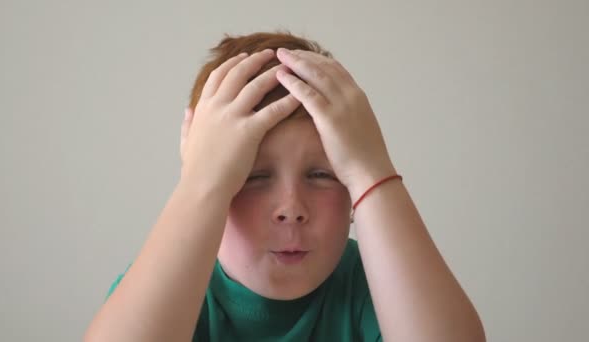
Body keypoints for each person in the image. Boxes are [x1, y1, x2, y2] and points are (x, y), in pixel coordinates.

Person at [84, 31, 486, 341]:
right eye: (253, 177)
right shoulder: (170, 285)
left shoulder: (376, 287)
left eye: (322, 175)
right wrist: (200, 181)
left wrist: (371, 169)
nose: (291, 207)